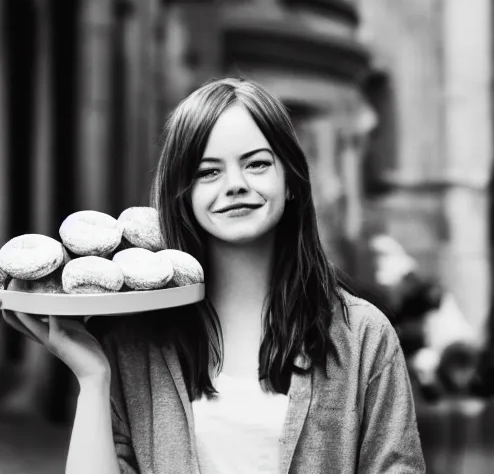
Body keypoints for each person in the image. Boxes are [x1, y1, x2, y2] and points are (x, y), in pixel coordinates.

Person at [1, 78, 425, 473]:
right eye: (208, 172)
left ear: (292, 180)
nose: (235, 184)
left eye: (257, 164)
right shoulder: (133, 342)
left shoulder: (363, 336)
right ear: (182, 196)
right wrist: (92, 378)